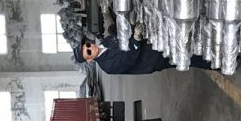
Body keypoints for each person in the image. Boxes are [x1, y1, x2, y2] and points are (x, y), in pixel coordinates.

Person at [74, 34, 214, 75]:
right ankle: (217, 64)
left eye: (88, 45)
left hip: (150, 44)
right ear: (90, 60)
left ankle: (214, 51)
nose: (91, 47)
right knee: (187, 58)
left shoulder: (106, 41)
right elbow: (128, 58)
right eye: (88, 52)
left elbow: (124, 34)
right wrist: (136, 40)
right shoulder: (107, 66)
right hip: (151, 60)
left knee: (185, 45)